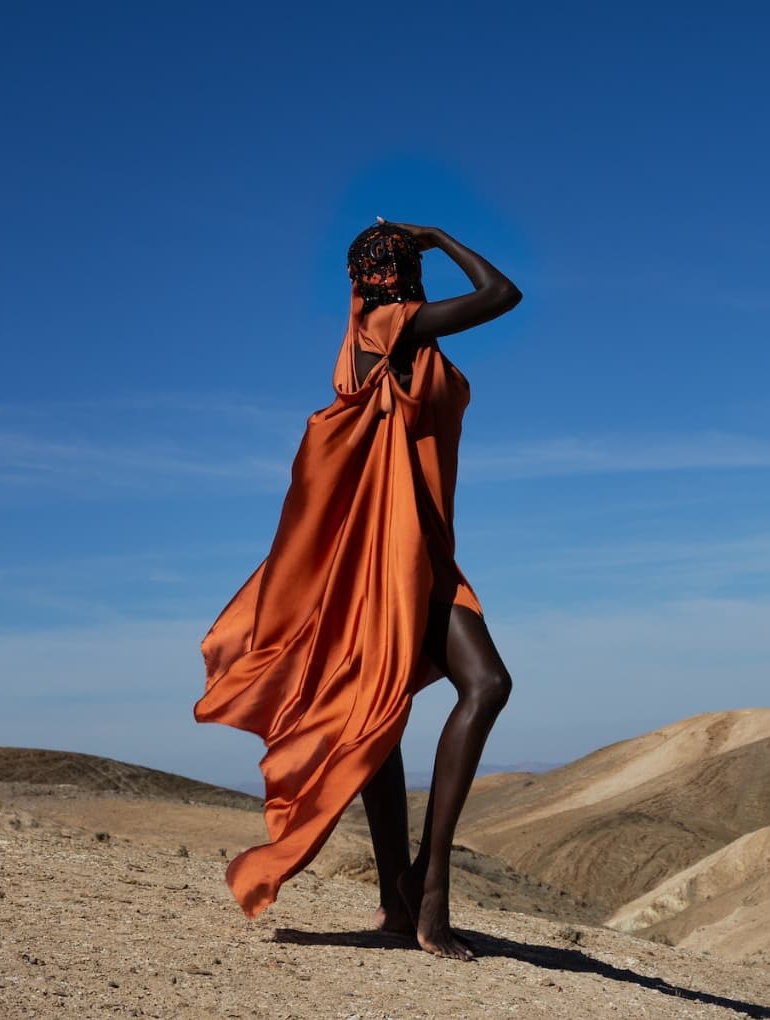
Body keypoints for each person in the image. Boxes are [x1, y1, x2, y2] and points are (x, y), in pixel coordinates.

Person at [195, 220, 522, 961]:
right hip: (404, 556)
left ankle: (395, 895)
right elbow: (503, 293)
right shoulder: (396, 326)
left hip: (416, 550)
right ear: (400, 274)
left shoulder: (374, 334)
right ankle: (429, 889)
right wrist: (439, 235)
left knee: (385, 705)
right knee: (488, 684)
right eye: (401, 265)